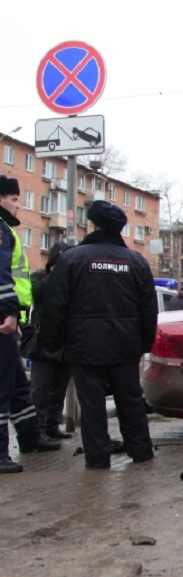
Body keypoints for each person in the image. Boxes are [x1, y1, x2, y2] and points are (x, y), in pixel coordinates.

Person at [39, 200, 158, 470]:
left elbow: (55, 305)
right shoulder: (136, 262)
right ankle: (141, 452)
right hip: (125, 346)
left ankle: (97, 458)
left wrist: (51, 343)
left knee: (91, 405)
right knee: (130, 400)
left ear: (93, 225)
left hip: (84, 345)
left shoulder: (72, 258)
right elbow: (148, 308)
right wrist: (144, 342)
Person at [0, 176, 61, 474]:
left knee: (17, 385)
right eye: (13, 198)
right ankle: (0, 453)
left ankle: (29, 435)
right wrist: (9, 313)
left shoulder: (7, 231)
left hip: (11, 319)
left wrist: (18, 316)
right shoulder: (0, 232)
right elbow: (2, 279)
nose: (18, 204)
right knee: (3, 387)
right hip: (2, 319)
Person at [28, 242, 75, 439]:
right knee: (40, 390)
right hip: (43, 342)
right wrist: (54, 275)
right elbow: (36, 294)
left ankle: (52, 426)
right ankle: (36, 430)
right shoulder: (40, 277)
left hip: (65, 342)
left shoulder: (72, 281)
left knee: (59, 389)